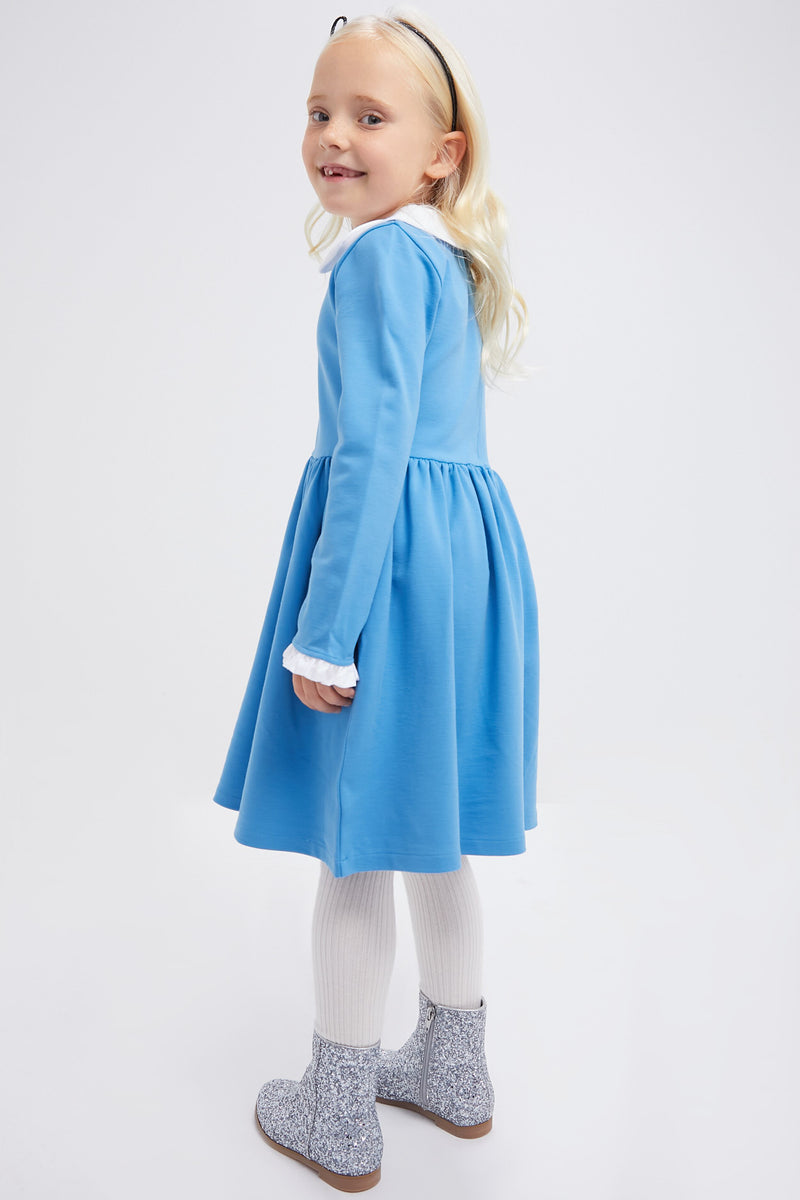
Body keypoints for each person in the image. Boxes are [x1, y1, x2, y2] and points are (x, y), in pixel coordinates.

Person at [212, 10, 539, 1191]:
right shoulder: (443, 253)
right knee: (428, 826)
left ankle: (339, 1109)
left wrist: (323, 634)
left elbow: (371, 453)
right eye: (318, 112)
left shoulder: (374, 259)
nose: (333, 136)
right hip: (458, 563)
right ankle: (454, 1071)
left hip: (386, 568)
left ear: (442, 152)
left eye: (367, 116)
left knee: (353, 839)